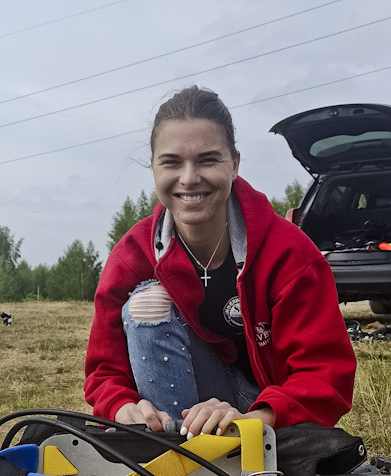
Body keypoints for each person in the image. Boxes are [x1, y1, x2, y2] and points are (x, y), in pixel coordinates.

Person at [84, 86, 356, 438]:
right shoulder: (133, 253)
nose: (188, 178)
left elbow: (325, 373)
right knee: (147, 302)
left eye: (207, 159)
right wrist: (123, 406)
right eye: (172, 162)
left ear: (234, 164)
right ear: (153, 167)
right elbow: (104, 370)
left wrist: (256, 419)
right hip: (175, 408)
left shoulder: (290, 253)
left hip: (262, 414)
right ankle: (172, 451)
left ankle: (202, 462)